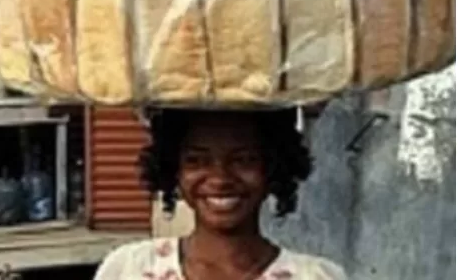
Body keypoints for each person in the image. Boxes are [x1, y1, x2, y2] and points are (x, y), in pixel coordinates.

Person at [94, 108, 347, 280]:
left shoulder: (316, 277)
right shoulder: (129, 269)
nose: (220, 178)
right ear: (174, 169)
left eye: (243, 160)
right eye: (196, 161)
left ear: (273, 168)